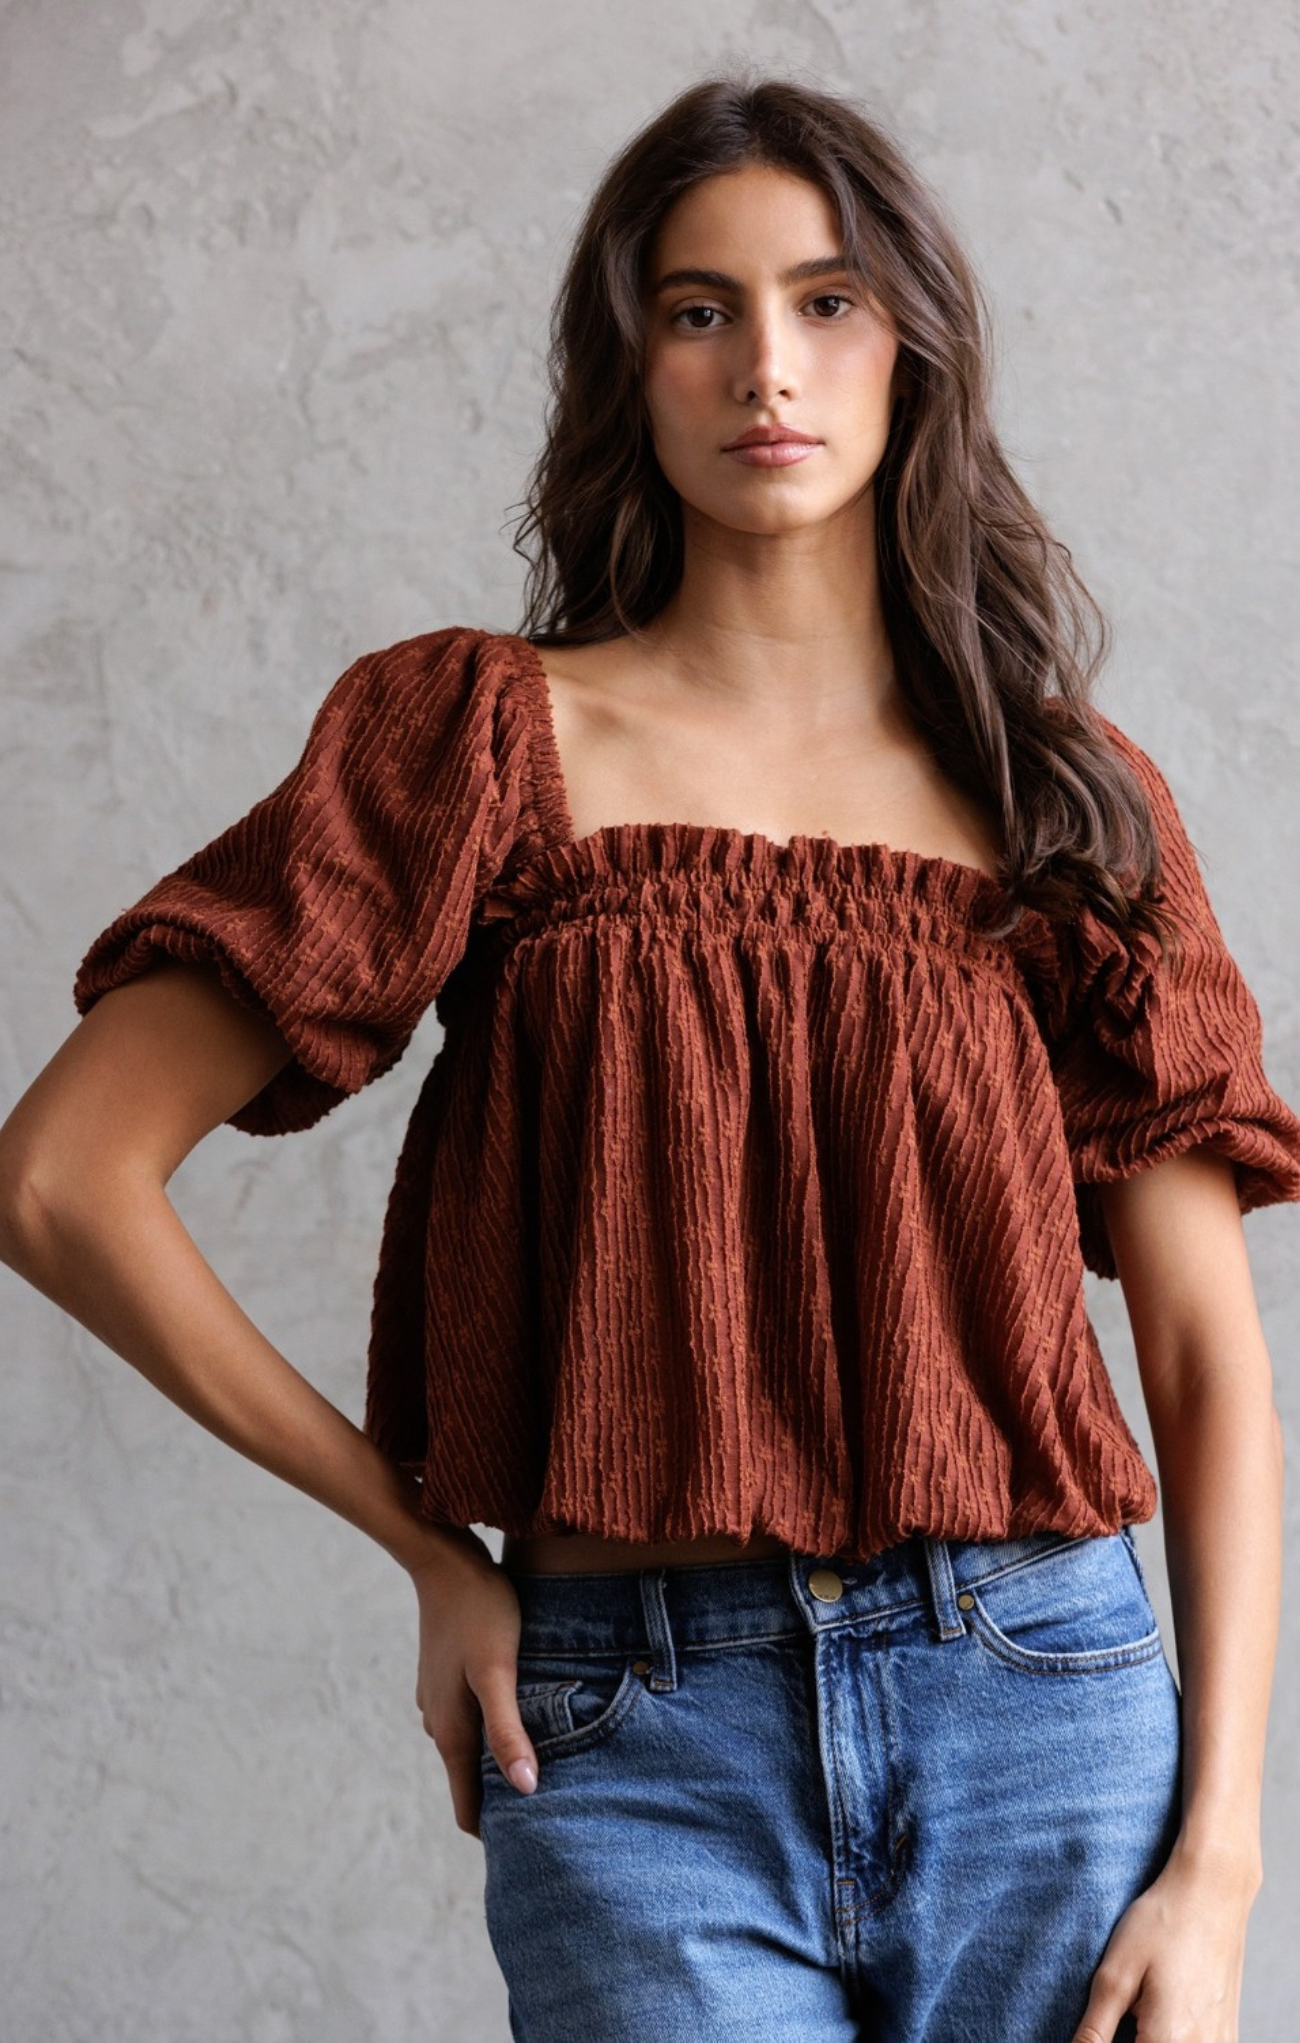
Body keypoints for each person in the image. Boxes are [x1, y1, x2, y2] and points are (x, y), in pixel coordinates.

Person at [1, 72, 1297, 2043]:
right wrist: (423, 1550)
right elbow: (58, 1179)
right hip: (631, 1736)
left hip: (1038, 1705)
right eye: (699, 310)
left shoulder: (1061, 802)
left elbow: (1202, 1359)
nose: (764, 365)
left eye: (826, 301)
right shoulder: (478, 743)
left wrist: (1220, 1859)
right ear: (630, 364)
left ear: (911, 346)